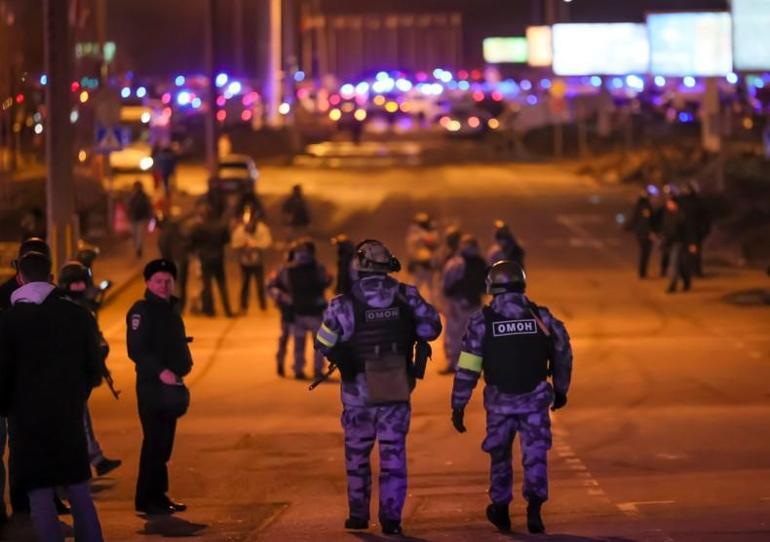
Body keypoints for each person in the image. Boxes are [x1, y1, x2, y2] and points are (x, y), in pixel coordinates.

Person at [314, 240, 442, 535]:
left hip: (357, 395)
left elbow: (323, 343)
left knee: (357, 457)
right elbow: (432, 329)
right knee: (393, 456)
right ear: (388, 266)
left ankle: (358, 515)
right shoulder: (407, 296)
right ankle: (391, 518)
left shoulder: (342, 304)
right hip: (394, 391)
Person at [450, 260, 572, 534]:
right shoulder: (541, 316)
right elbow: (563, 351)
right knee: (536, 454)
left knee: (500, 455)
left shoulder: (483, 321)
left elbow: (468, 365)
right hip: (535, 400)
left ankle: (501, 509)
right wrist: (561, 388)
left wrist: (458, 404)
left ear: (492, 286)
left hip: (500, 403)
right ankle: (535, 509)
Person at [0, 251, 104, 541]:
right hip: (68, 418)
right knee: (79, 491)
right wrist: (74, 396)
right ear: (52, 278)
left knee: (40, 497)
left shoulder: (8, 323)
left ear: (20, 278)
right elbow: (94, 371)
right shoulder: (77, 316)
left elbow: (2, 377)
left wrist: (10, 407)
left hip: (27, 423)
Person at [0, 237, 70, 517]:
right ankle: (21, 501)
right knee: (20, 448)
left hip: (46, 385)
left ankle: (48, 498)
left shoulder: (57, 298)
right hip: (19, 387)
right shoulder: (6, 295)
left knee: (50, 445)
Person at [127, 259, 193, 515]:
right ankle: (147, 499)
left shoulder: (170, 309)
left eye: (168, 281)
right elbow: (137, 349)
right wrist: (161, 371)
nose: (164, 285)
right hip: (151, 385)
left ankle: (157, 495)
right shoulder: (141, 311)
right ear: (147, 283)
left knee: (164, 443)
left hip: (171, 384)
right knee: (155, 442)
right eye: (158, 281)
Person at [58, 261, 123, 478]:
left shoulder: (83, 308)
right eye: (74, 284)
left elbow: (96, 339)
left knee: (82, 419)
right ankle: (87, 462)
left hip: (79, 376)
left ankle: (94, 459)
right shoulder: (65, 311)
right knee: (77, 421)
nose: (78, 289)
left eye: (81, 284)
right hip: (68, 376)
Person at [269, 239, 330, 379]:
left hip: (295, 312)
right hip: (315, 311)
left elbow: (271, 287)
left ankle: (297, 369)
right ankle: (318, 369)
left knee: (298, 342)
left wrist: (283, 298)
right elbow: (325, 282)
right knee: (320, 344)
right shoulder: (318, 267)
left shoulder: (285, 269)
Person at [440, 235, 488, 374]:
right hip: (475, 303)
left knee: (454, 334)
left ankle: (454, 364)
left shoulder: (455, 263)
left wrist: (447, 297)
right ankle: (470, 367)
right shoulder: (481, 263)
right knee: (471, 335)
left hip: (457, 303)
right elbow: (486, 285)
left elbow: (446, 284)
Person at [190, 203, 234, 317]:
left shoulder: (199, 227)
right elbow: (227, 239)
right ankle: (227, 310)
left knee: (207, 285)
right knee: (222, 284)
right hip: (218, 257)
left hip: (205, 258)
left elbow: (192, 242)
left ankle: (210, 310)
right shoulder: (221, 226)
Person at [231, 209, 273, 312]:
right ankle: (243, 305)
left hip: (258, 261)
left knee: (260, 284)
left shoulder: (262, 230)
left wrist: (256, 245)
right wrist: (243, 245)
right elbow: (234, 244)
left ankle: (263, 305)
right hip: (244, 261)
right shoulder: (240, 231)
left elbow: (267, 242)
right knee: (245, 284)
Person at [267, 247, 297, 377]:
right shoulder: (281, 271)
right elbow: (270, 286)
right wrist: (281, 297)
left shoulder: (307, 269)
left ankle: (299, 366)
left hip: (303, 308)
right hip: (288, 309)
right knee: (285, 336)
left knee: (299, 338)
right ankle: (280, 362)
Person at [625, 186, 657, 279]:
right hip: (644, 233)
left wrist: (628, 227)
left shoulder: (639, 205)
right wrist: (650, 233)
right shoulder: (645, 207)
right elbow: (645, 221)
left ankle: (642, 272)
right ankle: (642, 272)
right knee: (645, 253)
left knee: (644, 252)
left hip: (640, 232)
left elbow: (634, 218)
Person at [405, 212, 439, 297]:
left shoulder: (417, 233)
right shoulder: (417, 233)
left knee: (430, 287)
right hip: (420, 264)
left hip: (426, 264)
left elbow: (434, 244)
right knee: (420, 286)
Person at [127, 180, 154, 259]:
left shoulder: (140, 196)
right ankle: (138, 248)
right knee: (136, 235)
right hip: (136, 218)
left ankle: (138, 249)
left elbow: (148, 207)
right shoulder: (135, 196)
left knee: (138, 234)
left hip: (139, 218)